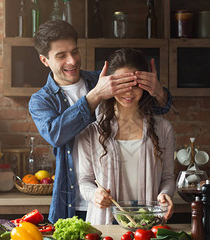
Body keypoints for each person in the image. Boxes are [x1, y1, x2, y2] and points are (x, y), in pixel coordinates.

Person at [29, 20, 172, 224]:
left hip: (116, 202)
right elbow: (55, 134)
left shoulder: (104, 78)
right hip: (72, 203)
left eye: (75, 51)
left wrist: (157, 90)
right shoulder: (41, 100)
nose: (72, 61)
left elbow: (154, 107)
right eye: (61, 56)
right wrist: (94, 96)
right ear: (45, 60)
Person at [76, 48, 175, 225]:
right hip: (105, 225)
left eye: (135, 84)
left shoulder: (163, 129)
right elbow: (85, 181)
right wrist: (95, 196)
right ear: (109, 84)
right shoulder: (90, 131)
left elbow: (167, 177)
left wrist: (165, 194)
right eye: (122, 84)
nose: (129, 92)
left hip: (149, 224)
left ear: (145, 84)